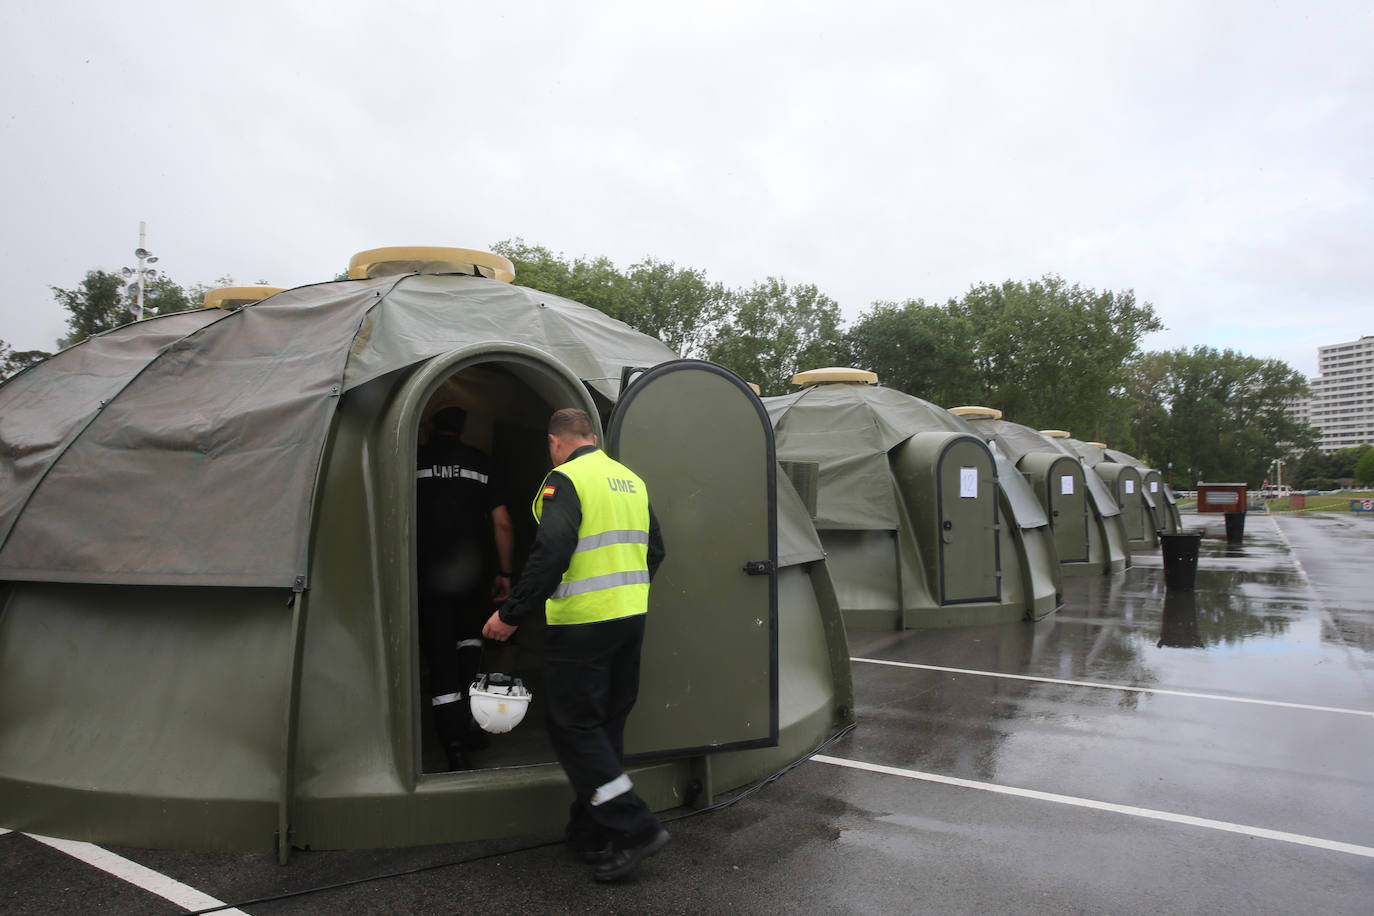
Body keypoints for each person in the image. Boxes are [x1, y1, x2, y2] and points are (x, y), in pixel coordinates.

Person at [483, 408, 669, 882]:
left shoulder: (564, 479)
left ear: (555, 442)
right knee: (604, 725)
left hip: (582, 625)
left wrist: (511, 614)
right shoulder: (631, 480)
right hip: (629, 620)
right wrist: (625, 592)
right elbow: (657, 550)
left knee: (574, 728)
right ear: (592, 435)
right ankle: (590, 831)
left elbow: (552, 551)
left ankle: (635, 827)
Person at [416, 406, 514, 771]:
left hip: (426, 579)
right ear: (462, 429)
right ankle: (474, 727)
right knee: (470, 647)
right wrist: (505, 572)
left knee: (441, 659)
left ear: (429, 426)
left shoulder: (413, 462)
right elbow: (502, 523)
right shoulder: (481, 463)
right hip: (474, 576)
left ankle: (453, 745)